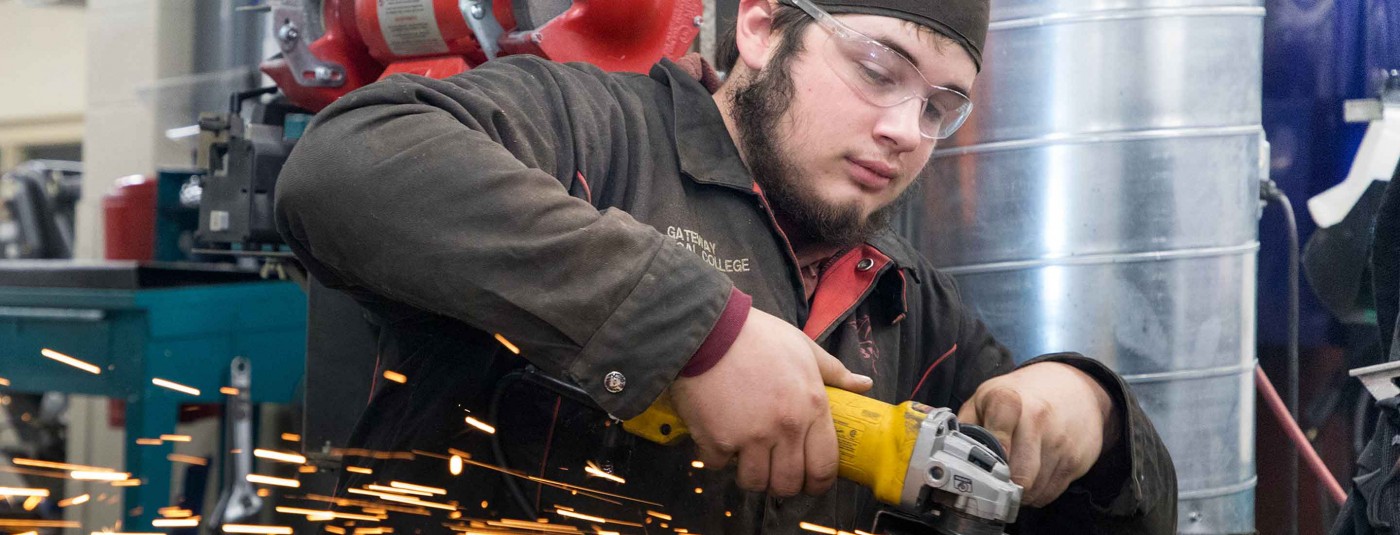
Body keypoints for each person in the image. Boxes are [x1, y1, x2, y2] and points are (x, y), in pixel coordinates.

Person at [274, 0, 1178, 532]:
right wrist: (693, 330)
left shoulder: (909, 306)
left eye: (942, 106)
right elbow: (347, 163)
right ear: (760, 23)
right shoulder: (595, 135)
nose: (906, 129)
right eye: (877, 66)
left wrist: (1088, 409)